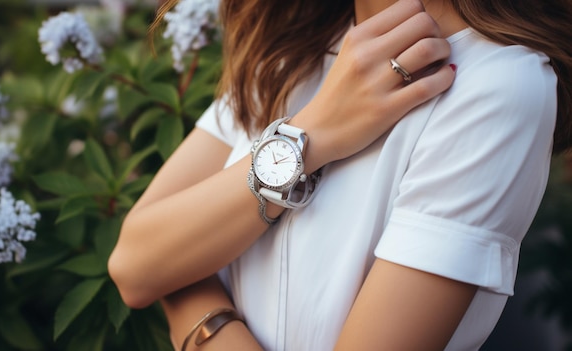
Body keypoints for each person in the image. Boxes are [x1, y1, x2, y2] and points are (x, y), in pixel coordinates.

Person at [108, 0, 572, 349]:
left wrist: (200, 312)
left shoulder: (500, 88)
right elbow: (134, 265)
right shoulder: (289, 50)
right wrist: (313, 134)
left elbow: (162, 267)